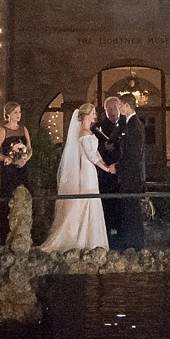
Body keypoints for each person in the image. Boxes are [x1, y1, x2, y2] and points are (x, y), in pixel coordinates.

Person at [42, 102, 111, 252]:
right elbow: (90, 155)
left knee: (91, 199)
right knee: (87, 199)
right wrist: (105, 168)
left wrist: (105, 163)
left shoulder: (89, 131)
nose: (95, 115)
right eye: (93, 112)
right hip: (87, 169)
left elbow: (95, 153)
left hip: (91, 169)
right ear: (86, 114)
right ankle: (83, 239)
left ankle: (91, 239)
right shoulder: (84, 132)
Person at [99, 94, 137, 251]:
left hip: (122, 174)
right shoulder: (100, 127)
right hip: (107, 174)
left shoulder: (125, 124)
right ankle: (108, 236)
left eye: (115, 108)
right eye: (109, 109)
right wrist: (105, 148)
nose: (112, 112)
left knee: (123, 206)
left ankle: (122, 237)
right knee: (108, 205)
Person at [0, 102, 32, 216]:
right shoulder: (3, 130)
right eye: (15, 112)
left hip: (23, 168)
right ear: (8, 114)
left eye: (19, 112)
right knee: (10, 199)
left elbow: (29, 148)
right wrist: (9, 159)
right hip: (9, 171)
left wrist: (25, 159)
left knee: (24, 196)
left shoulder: (23, 129)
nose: (18, 114)